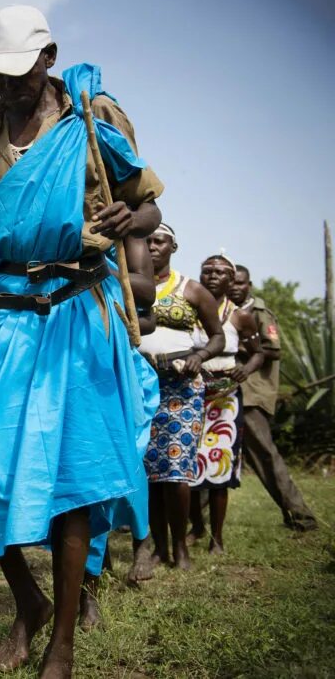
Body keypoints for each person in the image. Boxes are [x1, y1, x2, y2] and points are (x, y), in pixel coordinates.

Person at [0, 6, 166, 676]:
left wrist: (129, 216)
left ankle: (60, 641)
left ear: (48, 57)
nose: (7, 88)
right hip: (6, 314)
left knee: (73, 478)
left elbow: (149, 203)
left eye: (18, 73)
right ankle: (26, 602)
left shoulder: (93, 119)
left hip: (75, 309)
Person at [131, 225, 223, 581]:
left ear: (173, 246)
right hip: (141, 384)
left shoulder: (191, 289)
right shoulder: (132, 285)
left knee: (177, 469)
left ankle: (180, 548)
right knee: (149, 470)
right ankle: (158, 547)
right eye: (148, 240)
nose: (153, 246)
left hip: (182, 386)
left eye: (160, 241)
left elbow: (216, 336)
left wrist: (201, 355)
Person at [79, 234, 158, 631]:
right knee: (79, 480)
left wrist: (93, 264)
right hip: (63, 354)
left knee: (113, 471)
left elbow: (146, 293)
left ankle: (139, 545)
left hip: (114, 366)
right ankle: (91, 571)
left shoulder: (122, 232)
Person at [228, 265, 318, 531]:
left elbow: (273, 350)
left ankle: (301, 516)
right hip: (225, 391)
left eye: (240, 283)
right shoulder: (222, 309)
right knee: (214, 454)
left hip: (252, 393)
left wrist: (236, 346)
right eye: (231, 282)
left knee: (265, 455)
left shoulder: (258, 312)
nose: (234, 287)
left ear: (249, 285)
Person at [187, 255, 263, 554]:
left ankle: (216, 537)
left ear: (231, 280)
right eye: (207, 271)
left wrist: (246, 368)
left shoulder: (240, 316)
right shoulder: (189, 309)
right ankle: (196, 526)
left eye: (220, 272)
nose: (213, 276)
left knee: (220, 468)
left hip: (225, 399)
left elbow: (259, 353)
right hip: (192, 393)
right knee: (189, 465)